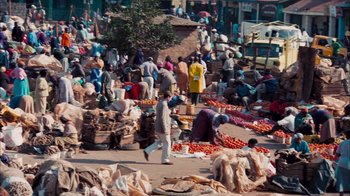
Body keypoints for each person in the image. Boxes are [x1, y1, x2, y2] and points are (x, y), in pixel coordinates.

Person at [144, 91, 173, 165]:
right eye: (170, 98)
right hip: (162, 127)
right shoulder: (164, 104)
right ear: (168, 97)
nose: (171, 99)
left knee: (160, 142)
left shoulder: (160, 102)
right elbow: (163, 118)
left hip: (158, 126)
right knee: (167, 143)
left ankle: (147, 151)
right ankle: (165, 160)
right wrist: (165, 129)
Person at [335, 131, 350, 195]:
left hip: (342, 162)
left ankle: (341, 193)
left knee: (341, 179)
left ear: (346, 136)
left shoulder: (342, 143)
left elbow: (337, 154)